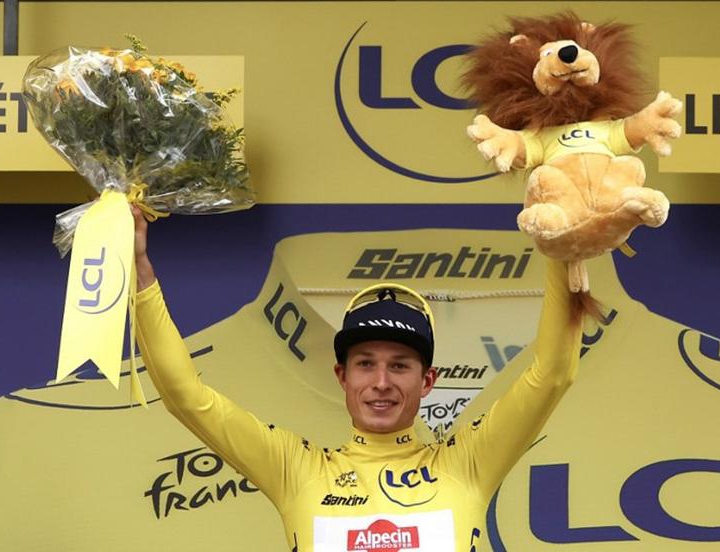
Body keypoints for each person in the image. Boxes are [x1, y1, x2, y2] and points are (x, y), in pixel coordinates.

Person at [132, 206, 582, 551]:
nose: (381, 381)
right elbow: (185, 397)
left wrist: (561, 248)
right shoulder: (297, 469)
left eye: (400, 365)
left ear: (427, 381)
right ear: (341, 376)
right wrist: (140, 272)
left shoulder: (467, 463)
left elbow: (552, 374)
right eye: (365, 363)